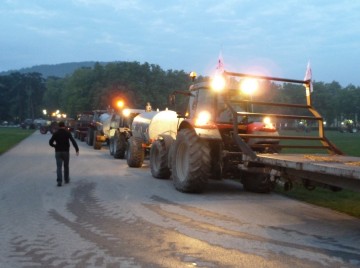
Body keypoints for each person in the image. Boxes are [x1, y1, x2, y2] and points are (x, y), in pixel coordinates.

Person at [49, 121, 79, 187]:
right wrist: (77, 149)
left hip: (58, 152)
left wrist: (55, 146)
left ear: (58, 126)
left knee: (59, 167)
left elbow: (50, 142)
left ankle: (59, 181)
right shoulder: (67, 133)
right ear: (64, 126)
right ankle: (66, 179)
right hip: (66, 152)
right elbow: (73, 141)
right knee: (66, 166)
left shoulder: (56, 133)